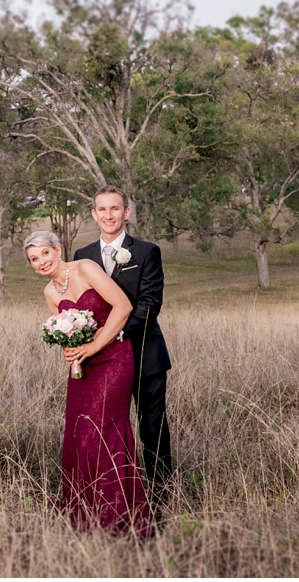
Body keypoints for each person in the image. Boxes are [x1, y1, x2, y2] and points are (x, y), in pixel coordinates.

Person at [25, 230, 152, 536]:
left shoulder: (86, 268)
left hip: (115, 359)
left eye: (45, 253)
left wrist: (95, 346)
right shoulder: (50, 293)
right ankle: (86, 507)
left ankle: (119, 512)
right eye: (33, 259)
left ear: (57, 249)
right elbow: (64, 332)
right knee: (81, 432)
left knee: (106, 430)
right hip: (82, 368)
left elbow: (123, 307)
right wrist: (70, 351)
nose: (41, 262)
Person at [72, 186, 174, 512]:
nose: (108, 215)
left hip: (145, 356)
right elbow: (78, 307)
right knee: (104, 430)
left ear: (126, 212)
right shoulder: (81, 256)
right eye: (102, 209)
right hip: (100, 363)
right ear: (93, 214)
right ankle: (110, 497)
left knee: (152, 429)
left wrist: (108, 334)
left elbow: (149, 305)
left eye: (115, 209)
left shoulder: (146, 252)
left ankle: (160, 499)